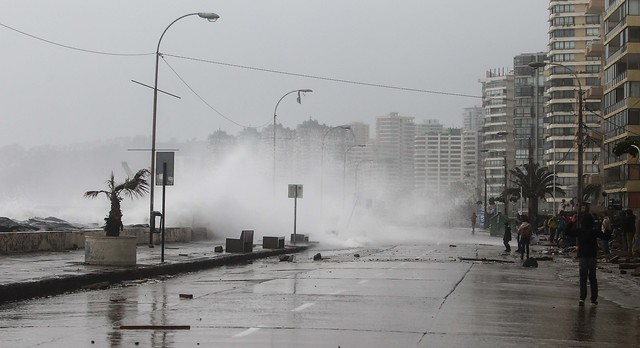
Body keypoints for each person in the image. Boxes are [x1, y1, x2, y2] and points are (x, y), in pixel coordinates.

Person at [565, 213, 611, 306]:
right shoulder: (594, 231)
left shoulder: (580, 231)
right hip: (592, 255)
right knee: (593, 277)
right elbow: (606, 237)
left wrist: (571, 222)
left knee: (583, 277)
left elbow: (568, 232)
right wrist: (607, 229)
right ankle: (593, 299)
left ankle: (582, 298)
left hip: (582, 255)